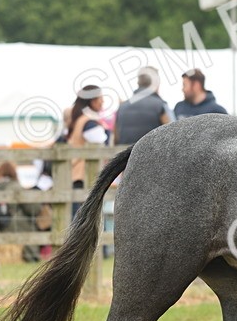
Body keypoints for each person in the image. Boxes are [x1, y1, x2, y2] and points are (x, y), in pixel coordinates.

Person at [67, 86, 109, 218]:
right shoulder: (88, 123)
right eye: (100, 98)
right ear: (92, 100)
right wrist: (106, 129)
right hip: (83, 176)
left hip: (77, 175)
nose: (102, 101)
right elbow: (102, 141)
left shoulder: (80, 119)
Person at [114, 67, 171, 145]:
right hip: (151, 155)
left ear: (139, 83)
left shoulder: (122, 107)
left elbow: (116, 138)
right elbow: (172, 135)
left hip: (126, 156)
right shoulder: (161, 105)